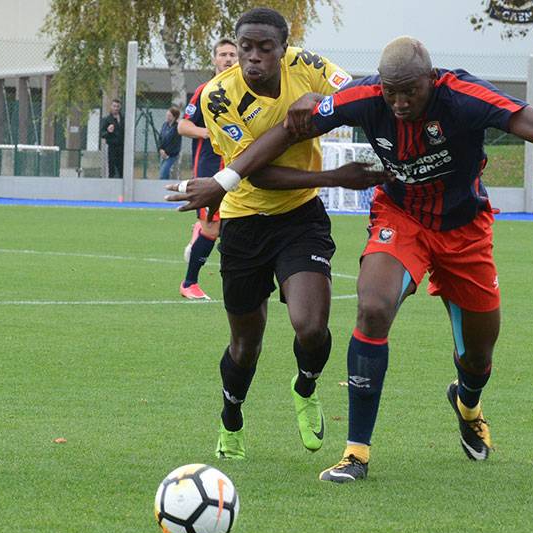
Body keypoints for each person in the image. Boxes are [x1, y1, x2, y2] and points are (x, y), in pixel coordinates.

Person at [167, 36, 533, 481]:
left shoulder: (464, 96)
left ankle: (467, 400)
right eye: (391, 93)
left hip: (466, 231)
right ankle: (356, 453)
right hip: (401, 219)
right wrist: (223, 179)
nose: (398, 103)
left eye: (409, 92)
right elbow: (287, 131)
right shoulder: (364, 97)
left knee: (478, 357)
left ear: (430, 80)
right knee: (372, 308)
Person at [166, 7, 387, 461]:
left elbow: (361, 94)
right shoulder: (218, 97)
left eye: (265, 49)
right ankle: (231, 419)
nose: (252, 58)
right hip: (245, 222)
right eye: (245, 48)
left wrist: (327, 107)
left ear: (283, 50)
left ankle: (304, 386)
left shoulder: (306, 67)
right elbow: (257, 175)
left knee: (311, 327)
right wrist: (335, 178)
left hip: (300, 219)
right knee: (245, 346)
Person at [176, 38, 237, 301]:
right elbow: (183, 126)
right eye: (223, 54)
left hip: (241, 168)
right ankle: (189, 283)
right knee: (213, 229)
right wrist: (210, 133)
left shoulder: (247, 89)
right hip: (211, 169)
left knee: (238, 225)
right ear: (214, 59)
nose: (228, 59)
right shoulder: (206, 90)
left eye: (232, 54)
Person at [100, 98, 124, 178]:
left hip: (122, 147)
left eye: (117, 106)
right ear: (111, 107)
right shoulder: (107, 119)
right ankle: (111, 187)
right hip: (112, 147)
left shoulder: (123, 118)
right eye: (114, 106)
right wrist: (108, 131)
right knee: (112, 169)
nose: (116, 108)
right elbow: (102, 134)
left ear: (120, 107)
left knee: (122, 169)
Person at [158, 106, 182, 180]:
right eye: (167, 115)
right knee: (165, 175)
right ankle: (165, 190)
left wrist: (167, 153)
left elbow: (175, 143)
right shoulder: (165, 125)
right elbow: (160, 138)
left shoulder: (177, 127)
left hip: (171, 155)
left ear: (174, 117)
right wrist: (160, 149)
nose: (167, 117)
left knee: (163, 174)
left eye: (169, 116)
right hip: (163, 154)